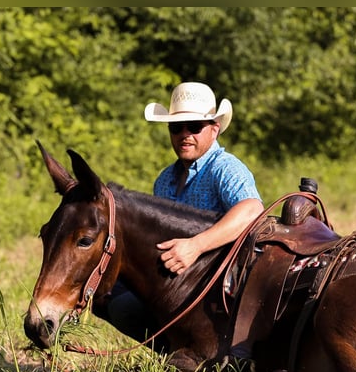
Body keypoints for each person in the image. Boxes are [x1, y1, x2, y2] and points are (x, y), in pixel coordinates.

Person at [103, 82, 264, 345]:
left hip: (217, 286)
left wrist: (196, 246)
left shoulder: (225, 168)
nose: (185, 134)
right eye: (177, 127)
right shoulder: (165, 179)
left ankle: (197, 353)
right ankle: (176, 348)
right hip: (174, 281)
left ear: (214, 129)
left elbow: (252, 209)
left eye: (195, 127)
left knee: (125, 306)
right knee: (108, 297)